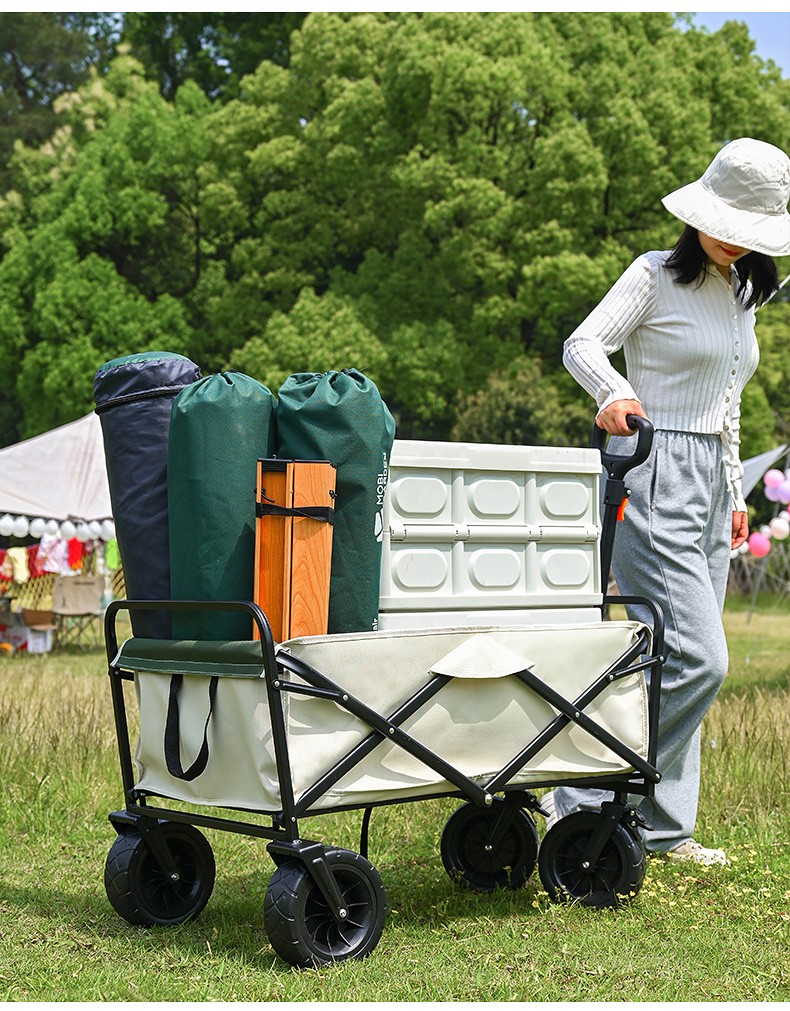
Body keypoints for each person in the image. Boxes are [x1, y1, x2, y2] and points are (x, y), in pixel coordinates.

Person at [544, 137, 790, 866]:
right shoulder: (653, 276)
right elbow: (583, 343)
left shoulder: (746, 289)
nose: (732, 241)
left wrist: (734, 483)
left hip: (714, 484)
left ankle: (664, 827)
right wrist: (616, 393)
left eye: (749, 232)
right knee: (702, 660)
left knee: (669, 659)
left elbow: (729, 395)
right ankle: (584, 798)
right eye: (726, 224)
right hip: (653, 472)